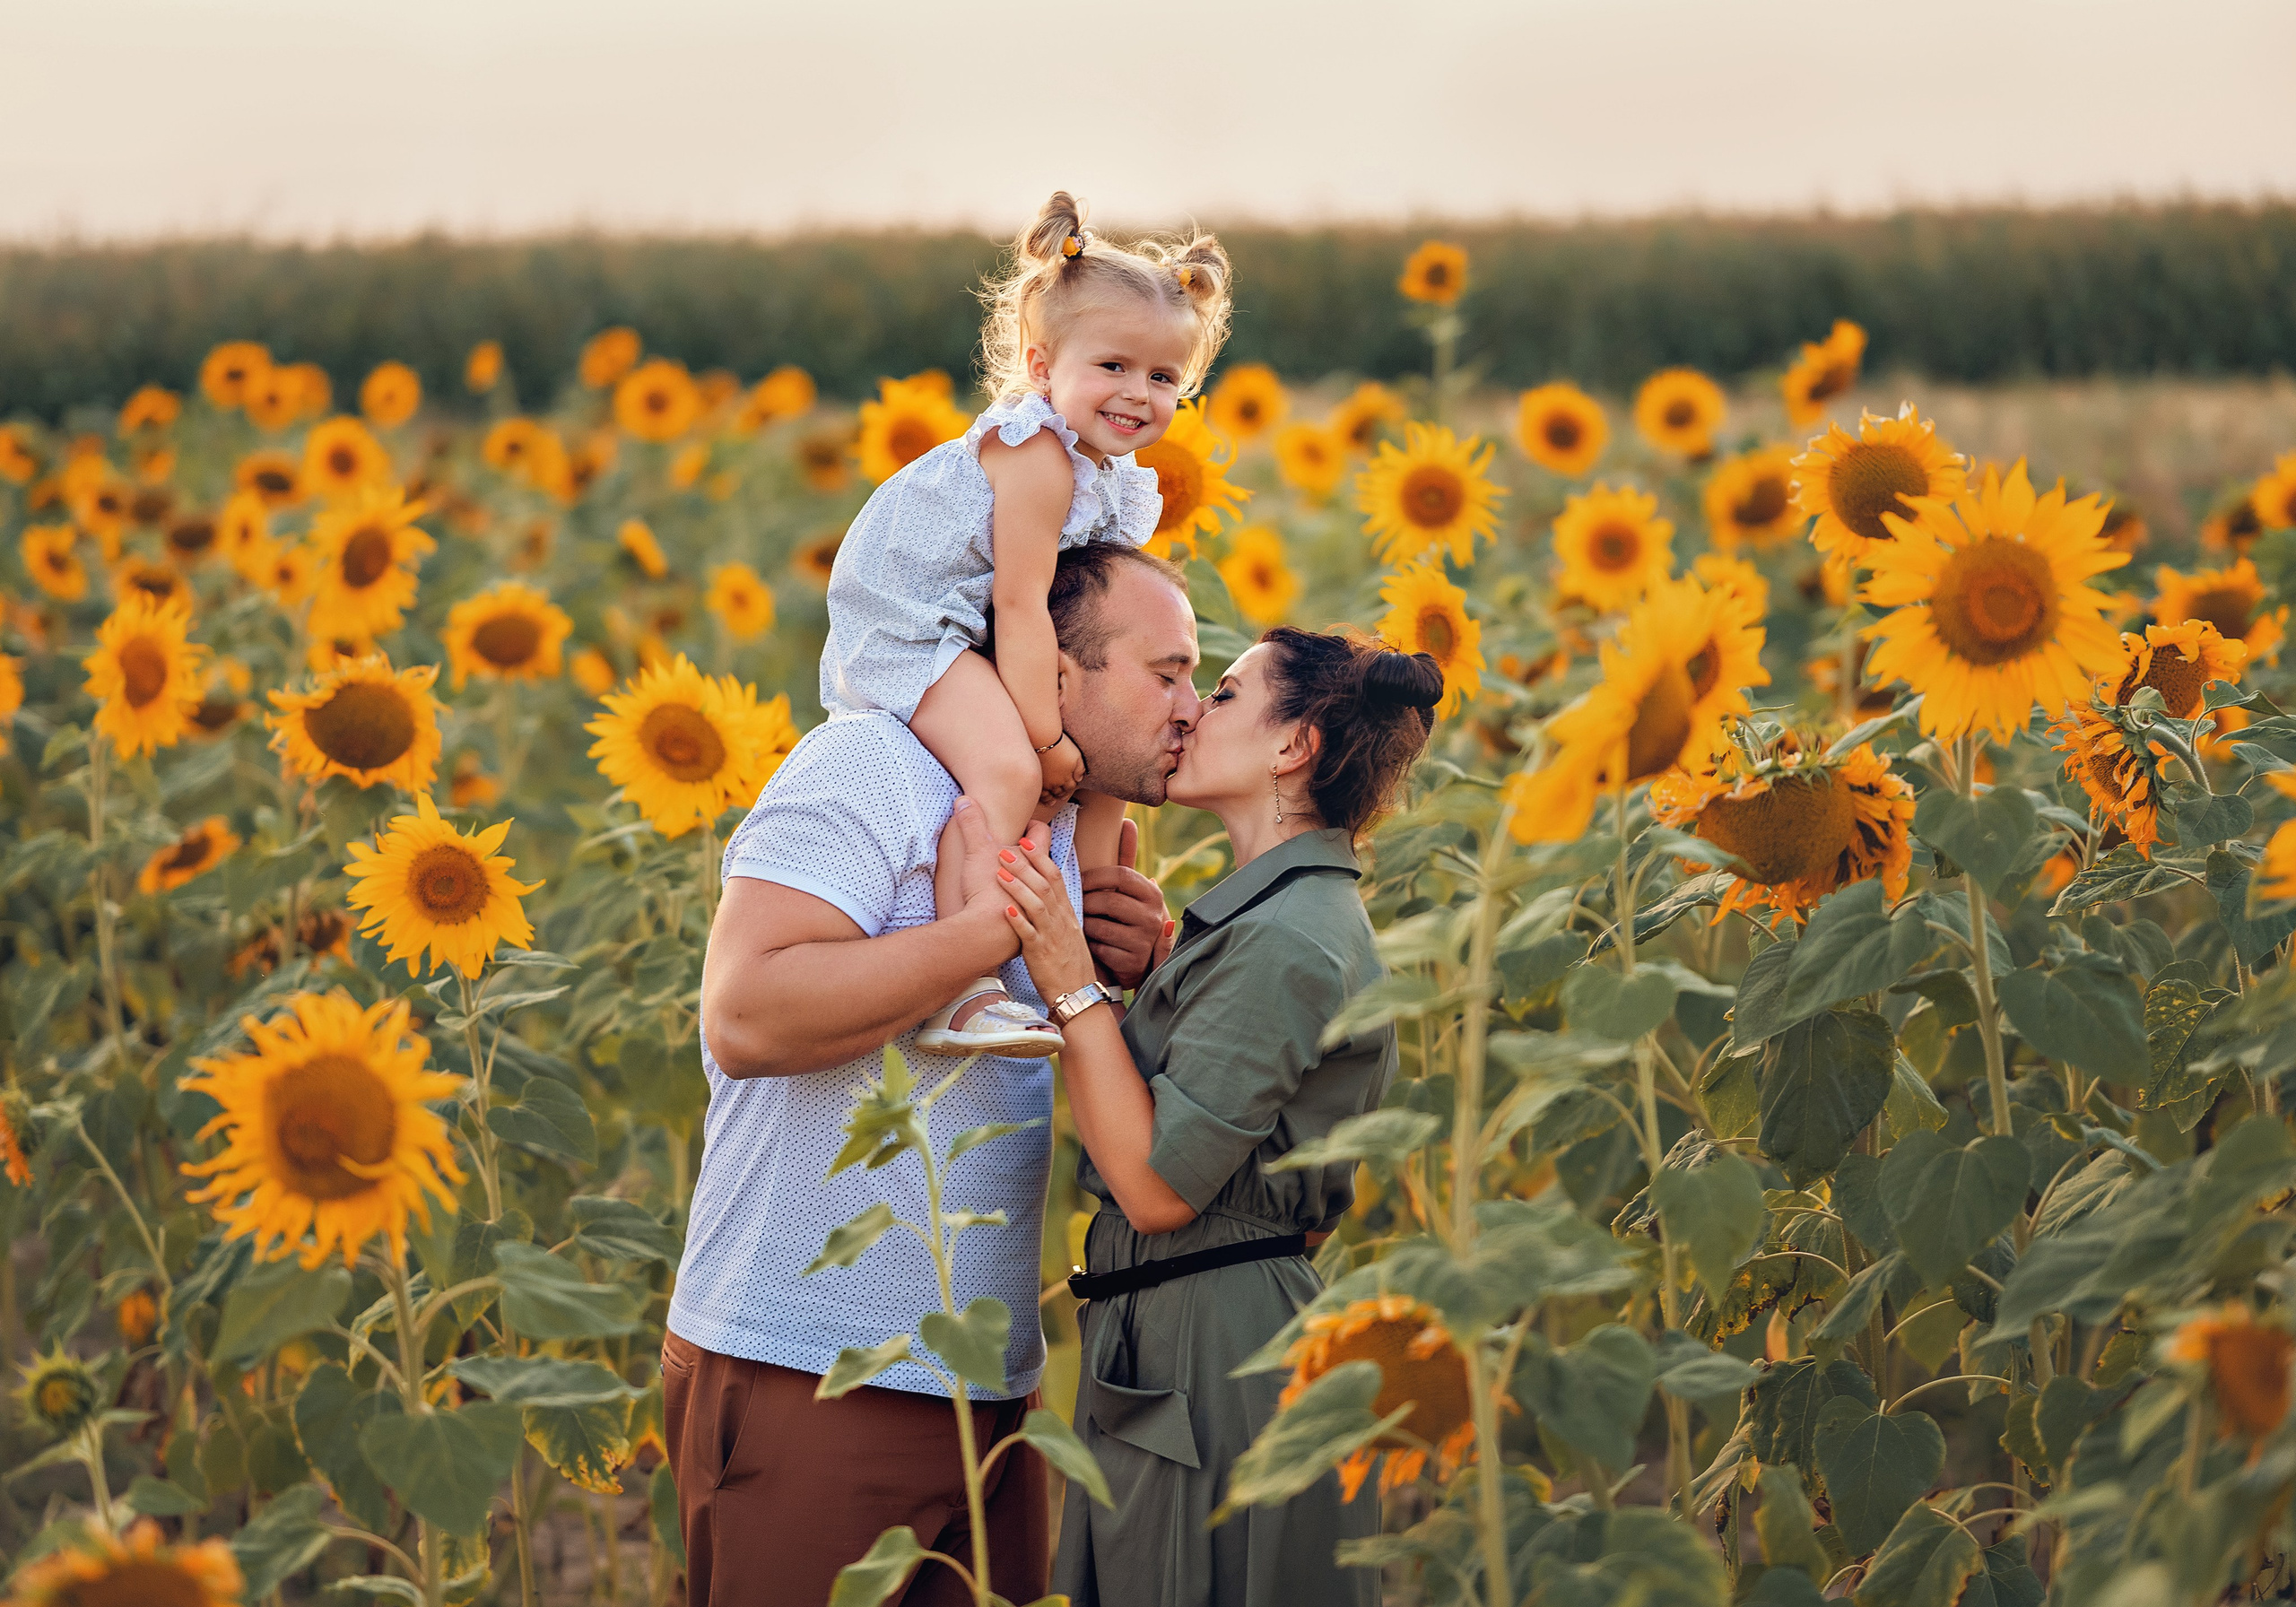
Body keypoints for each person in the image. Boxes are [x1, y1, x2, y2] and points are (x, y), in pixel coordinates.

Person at [663, 544, 1198, 1607]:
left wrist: (1115, 977)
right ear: (1053, 673)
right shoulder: (873, 762)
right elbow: (745, 1013)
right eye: (1168, 672)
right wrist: (993, 933)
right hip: (812, 1365)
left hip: (984, 1385)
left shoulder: (1064, 830)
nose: (1191, 706)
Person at [992, 628, 1447, 1607]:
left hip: (1212, 1352)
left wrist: (1070, 986)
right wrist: (1160, 984)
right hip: (1204, 1330)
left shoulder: (1285, 938)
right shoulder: (1273, 919)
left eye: (1228, 692)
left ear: (1295, 748)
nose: (1194, 709)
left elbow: (1155, 1186)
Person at [821, 189, 1233, 1055]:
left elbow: (1069, 602)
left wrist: (1083, 757)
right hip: (911, 623)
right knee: (1011, 771)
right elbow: (1016, 601)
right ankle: (962, 983)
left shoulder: (1116, 480)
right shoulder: (1038, 455)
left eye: (1164, 378)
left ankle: (1072, 945)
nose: (1138, 394)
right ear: (1044, 369)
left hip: (982, 625)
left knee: (1104, 774)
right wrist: (1046, 741)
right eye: (1113, 367)